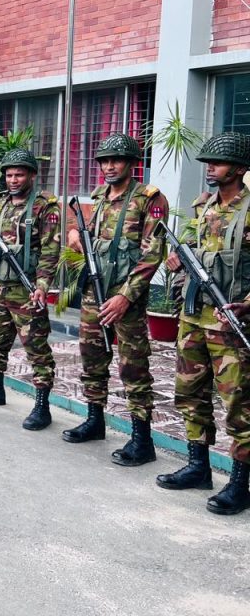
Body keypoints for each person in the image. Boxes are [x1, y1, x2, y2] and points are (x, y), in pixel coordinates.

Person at [157, 132, 250, 515]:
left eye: (218, 162)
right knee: (190, 393)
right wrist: (176, 259)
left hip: (230, 321)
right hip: (194, 316)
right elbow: (190, 251)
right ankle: (198, 466)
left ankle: (241, 483)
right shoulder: (202, 205)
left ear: (241, 169)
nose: (210, 168)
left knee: (238, 405)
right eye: (207, 162)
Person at [62, 134, 168, 467]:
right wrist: (76, 236)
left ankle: (142, 440)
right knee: (92, 358)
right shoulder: (100, 198)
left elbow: (153, 254)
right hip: (95, 292)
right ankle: (95, 420)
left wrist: (125, 296)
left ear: (132, 163)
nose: (109, 166)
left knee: (133, 367)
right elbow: (91, 238)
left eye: (116, 160)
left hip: (127, 299)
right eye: (104, 161)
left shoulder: (149, 199)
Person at [0, 149, 60, 431]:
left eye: (19, 174)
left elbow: (51, 251)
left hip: (26, 289)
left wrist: (42, 285)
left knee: (36, 349)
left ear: (32, 175)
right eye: (9, 175)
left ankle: (42, 406)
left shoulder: (45, 207)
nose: (14, 179)